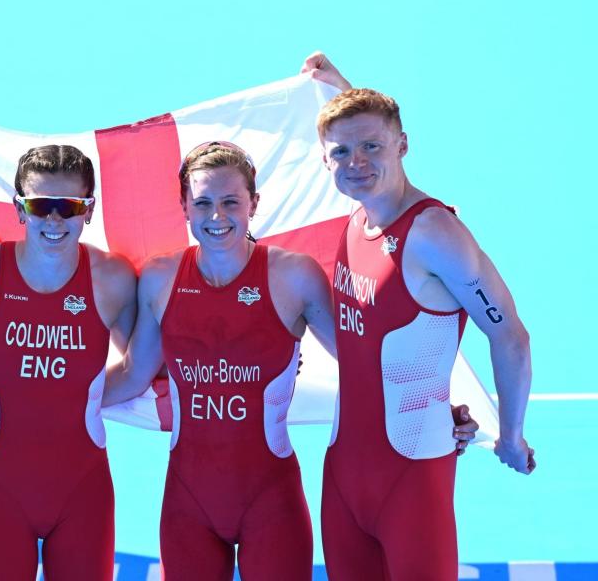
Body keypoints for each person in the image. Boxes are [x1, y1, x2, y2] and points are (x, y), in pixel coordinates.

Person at [304, 58, 535, 580]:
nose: (356, 161)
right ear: (324, 160)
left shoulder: (435, 234)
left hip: (412, 480)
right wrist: (342, 90)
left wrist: (511, 437)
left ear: (403, 146)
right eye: (341, 151)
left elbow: (511, 336)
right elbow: (370, 130)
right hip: (341, 476)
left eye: (372, 147)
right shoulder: (355, 221)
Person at [102, 140, 331, 580]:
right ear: (184, 207)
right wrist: (49, 401)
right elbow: (133, 375)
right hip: (189, 503)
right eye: (203, 203)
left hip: (272, 499)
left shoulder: (293, 275)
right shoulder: (161, 277)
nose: (216, 216)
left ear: (254, 203)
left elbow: (359, 359)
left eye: (231, 202)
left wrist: (434, 407)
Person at [0, 145, 137, 580]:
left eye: (67, 207)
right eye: (40, 206)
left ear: (88, 211)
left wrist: (249, 357)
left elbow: (151, 366)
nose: (53, 220)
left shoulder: (112, 279)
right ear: (19, 208)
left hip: (82, 492)